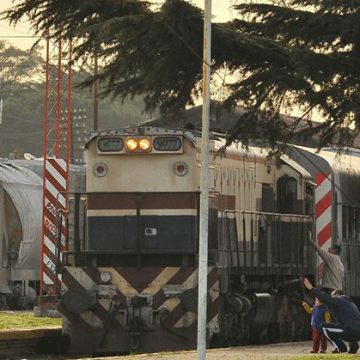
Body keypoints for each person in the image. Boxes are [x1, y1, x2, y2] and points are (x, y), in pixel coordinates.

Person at [304, 278, 360, 354]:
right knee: (340, 327)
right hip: (357, 333)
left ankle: (341, 349)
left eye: (332, 297)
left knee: (324, 327)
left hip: (350, 331)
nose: (332, 299)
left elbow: (325, 298)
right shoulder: (350, 304)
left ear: (337, 295)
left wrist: (312, 289)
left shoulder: (339, 299)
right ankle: (353, 346)